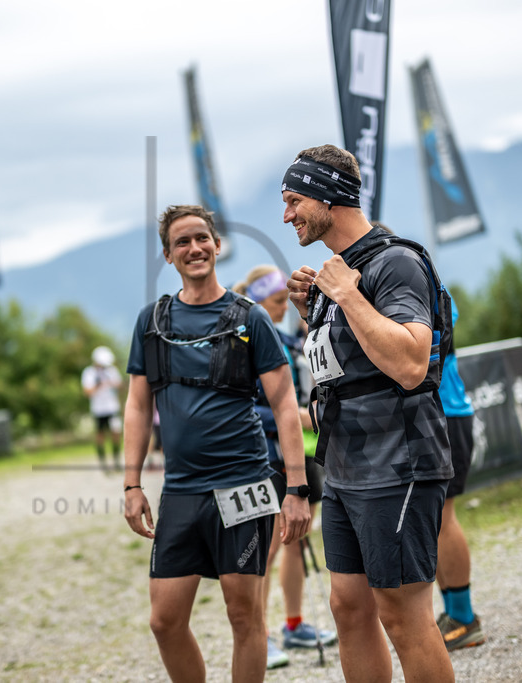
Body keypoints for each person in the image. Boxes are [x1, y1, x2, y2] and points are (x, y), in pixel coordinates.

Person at [283, 144, 455, 682]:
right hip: (346, 464)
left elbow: (410, 362)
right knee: (348, 608)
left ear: (328, 197)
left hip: (398, 461)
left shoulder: (394, 261)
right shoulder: (341, 273)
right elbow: (346, 367)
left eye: (294, 201)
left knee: (403, 617)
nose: (287, 216)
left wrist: (347, 298)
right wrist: (317, 311)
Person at [123, 204, 311, 682]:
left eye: (201, 238)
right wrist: (131, 484)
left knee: (244, 615)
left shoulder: (250, 318)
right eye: (182, 242)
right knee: (164, 620)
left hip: (244, 483)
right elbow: (138, 407)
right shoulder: (152, 323)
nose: (194, 248)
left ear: (217, 245)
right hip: (183, 490)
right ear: (169, 255)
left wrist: (296, 489)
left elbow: (286, 403)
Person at [232, 265, 336, 669]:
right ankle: (262, 635)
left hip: (301, 454)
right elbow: (246, 406)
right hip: (266, 457)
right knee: (268, 548)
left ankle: (293, 625)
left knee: (298, 538)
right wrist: (293, 415)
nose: (281, 309)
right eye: (276, 302)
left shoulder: (285, 335)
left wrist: (302, 416)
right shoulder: (247, 337)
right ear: (259, 300)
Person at [436, 299, 487, 651]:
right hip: (439, 413)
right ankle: (453, 612)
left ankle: (465, 617)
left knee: (442, 518)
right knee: (432, 519)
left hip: (446, 414)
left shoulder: (410, 274)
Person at [81, 346, 123, 473]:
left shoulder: (112, 370)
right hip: (98, 409)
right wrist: (98, 384)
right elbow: (87, 392)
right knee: (100, 435)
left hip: (112, 407)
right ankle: (103, 463)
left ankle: (116, 461)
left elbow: (120, 384)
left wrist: (111, 382)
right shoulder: (89, 372)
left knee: (116, 433)